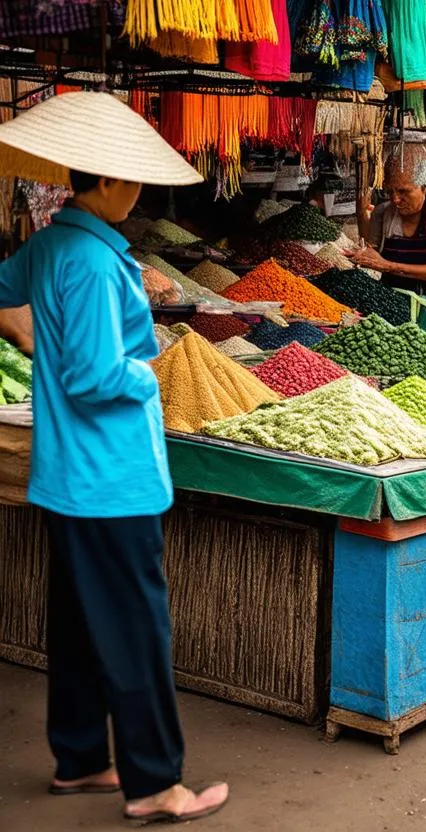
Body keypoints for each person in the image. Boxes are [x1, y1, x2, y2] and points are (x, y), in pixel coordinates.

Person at [0, 92, 228, 824]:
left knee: (75, 620)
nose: (137, 191)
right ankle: (156, 781)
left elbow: (6, 295)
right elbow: (97, 377)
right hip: (111, 478)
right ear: (104, 182)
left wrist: (38, 341)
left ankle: (78, 760)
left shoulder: (48, 245)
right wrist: (149, 360)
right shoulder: (96, 263)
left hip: (66, 474)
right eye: (129, 179)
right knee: (135, 628)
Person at [353, 145, 426, 321]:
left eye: (403, 191)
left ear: (423, 187)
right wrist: (363, 255)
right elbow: (373, 251)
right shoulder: (382, 213)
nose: (396, 199)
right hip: (392, 301)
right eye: (390, 191)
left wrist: (391, 267)